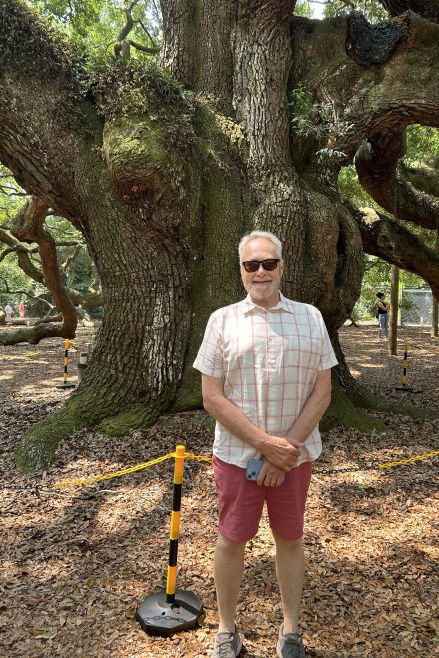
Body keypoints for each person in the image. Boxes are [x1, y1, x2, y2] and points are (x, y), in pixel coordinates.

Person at [193, 230, 338, 658]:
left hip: (294, 458)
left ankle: (290, 629)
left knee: (290, 539)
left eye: (268, 263)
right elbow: (211, 396)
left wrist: (284, 449)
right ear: (240, 270)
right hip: (238, 457)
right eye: (251, 265)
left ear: (282, 267)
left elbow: (323, 390)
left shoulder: (311, 317)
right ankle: (227, 628)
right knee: (230, 540)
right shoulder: (221, 320)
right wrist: (263, 444)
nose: (260, 272)